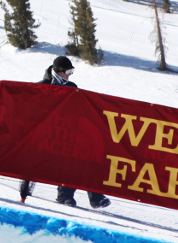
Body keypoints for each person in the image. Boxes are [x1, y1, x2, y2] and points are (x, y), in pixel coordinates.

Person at [18, 55, 111, 209]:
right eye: (67, 72)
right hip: (45, 136)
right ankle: (27, 193)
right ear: (58, 70)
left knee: (83, 156)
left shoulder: (72, 87)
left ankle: (91, 197)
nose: (69, 75)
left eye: (71, 72)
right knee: (35, 160)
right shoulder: (42, 86)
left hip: (65, 133)